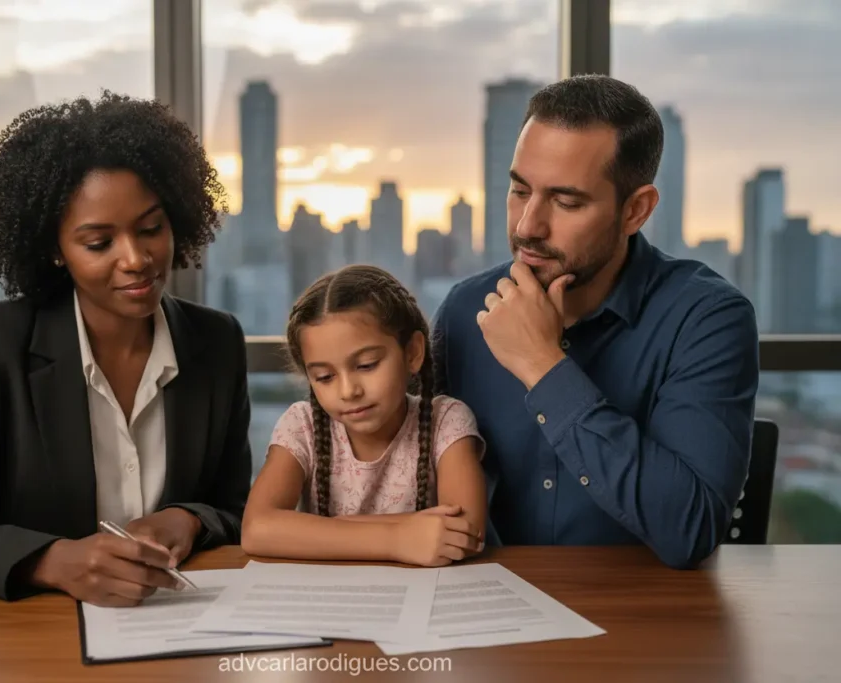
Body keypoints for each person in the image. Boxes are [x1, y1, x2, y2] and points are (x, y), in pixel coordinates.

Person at [0, 91, 252, 606]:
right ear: (54, 249)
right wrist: (52, 560)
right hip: (36, 634)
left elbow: (236, 506)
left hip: (179, 627)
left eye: (151, 229)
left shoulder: (216, 341)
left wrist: (188, 519)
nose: (136, 259)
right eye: (99, 243)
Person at [432, 74, 759, 569]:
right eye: (520, 191)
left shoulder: (707, 319)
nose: (527, 227)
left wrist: (542, 365)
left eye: (566, 202)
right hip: (489, 620)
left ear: (635, 210)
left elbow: (691, 532)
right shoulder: (464, 311)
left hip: (646, 624)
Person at [242, 264, 488, 566]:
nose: (348, 391)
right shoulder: (301, 425)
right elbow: (257, 529)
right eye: (324, 377)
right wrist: (397, 540)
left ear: (412, 353)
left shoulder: (447, 421)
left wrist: (308, 533)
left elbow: (465, 533)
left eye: (367, 365)